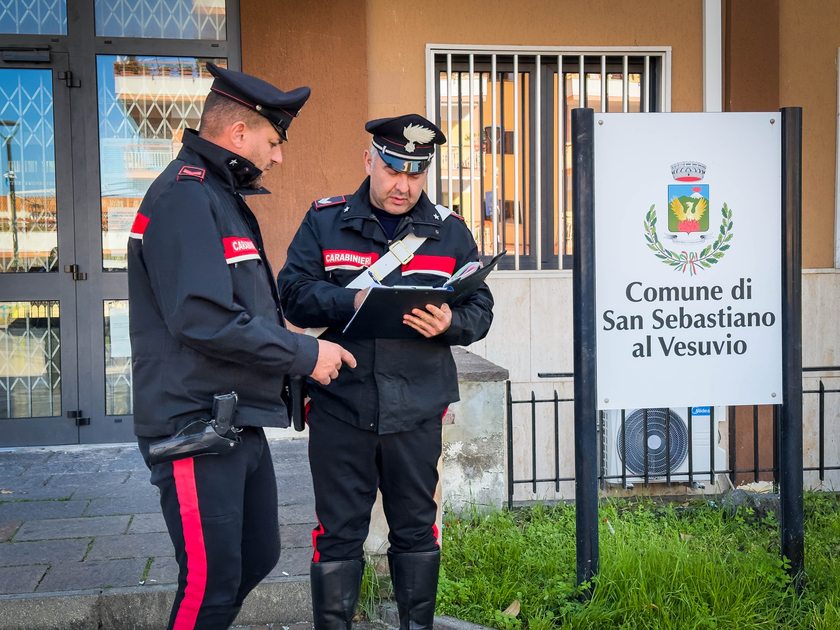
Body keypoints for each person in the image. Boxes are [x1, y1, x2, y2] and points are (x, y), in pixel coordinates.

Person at [127, 63, 355, 630]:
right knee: (210, 581)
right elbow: (203, 320)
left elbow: (242, 310)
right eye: (273, 142)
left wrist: (290, 351)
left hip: (234, 419)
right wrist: (305, 356)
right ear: (237, 134)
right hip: (194, 423)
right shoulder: (186, 197)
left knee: (258, 556)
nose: (278, 157)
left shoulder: (221, 198)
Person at [277, 114, 495, 630]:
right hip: (340, 406)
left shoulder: (449, 230)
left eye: (415, 174)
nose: (403, 185)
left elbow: (481, 308)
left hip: (416, 410)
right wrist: (346, 300)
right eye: (393, 169)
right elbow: (291, 294)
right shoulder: (325, 221)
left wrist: (450, 322)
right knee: (338, 535)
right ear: (369, 160)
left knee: (416, 531)